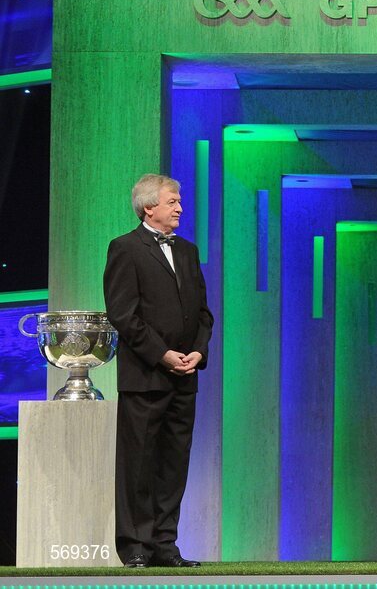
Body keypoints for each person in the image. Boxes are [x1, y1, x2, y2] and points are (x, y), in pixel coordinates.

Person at [103, 174, 213, 568]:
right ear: (149, 207)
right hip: (146, 376)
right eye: (172, 201)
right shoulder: (125, 248)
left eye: (179, 200)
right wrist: (162, 353)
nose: (180, 207)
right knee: (139, 465)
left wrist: (197, 352)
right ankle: (136, 546)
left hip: (185, 377)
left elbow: (203, 313)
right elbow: (123, 314)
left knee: (173, 464)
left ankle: (166, 545)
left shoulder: (187, 250)